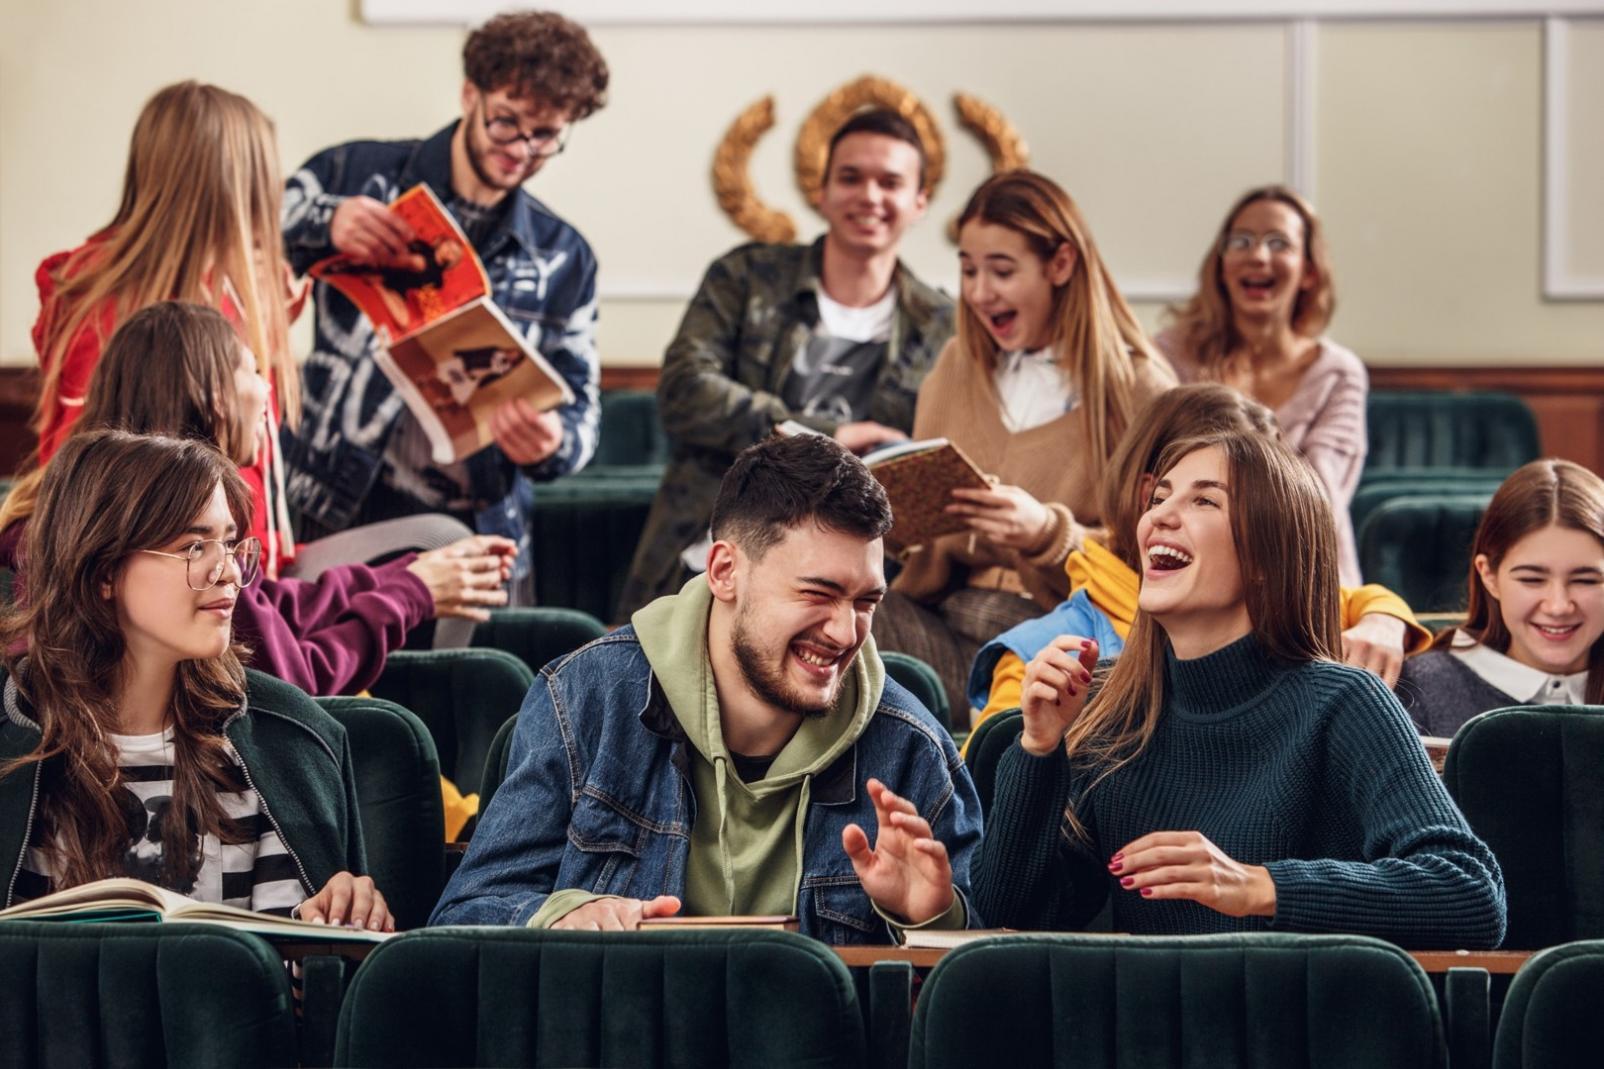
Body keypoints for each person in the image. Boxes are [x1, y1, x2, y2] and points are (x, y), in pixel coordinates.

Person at [431, 433, 982, 942]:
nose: (846, 632)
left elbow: (980, 980)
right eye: (817, 593)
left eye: (866, 602)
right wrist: (561, 916)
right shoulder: (583, 697)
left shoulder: (910, 744)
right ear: (724, 572)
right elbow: (466, 912)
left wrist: (934, 920)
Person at [961, 431, 1504, 947]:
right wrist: (1039, 749)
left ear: (1269, 557)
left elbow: (1471, 892)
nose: (1160, 517)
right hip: (1153, 1029)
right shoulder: (1109, 709)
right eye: (1161, 497)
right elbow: (1013, 913)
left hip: (1300, 1027)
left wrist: (1260, 888)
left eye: (1205, 502)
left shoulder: (1344, 702)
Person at [0, 303, 515, 697]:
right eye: (253, 370)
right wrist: (408, 595)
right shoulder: (169, 535)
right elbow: (291, 682)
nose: (268, 390)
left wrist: (405, 577)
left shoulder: (102, 502)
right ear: (217, 395)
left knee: (438, 541)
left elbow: (266, 607)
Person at [0, 430, 389, 930]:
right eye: (193, 546)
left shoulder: (289, 741)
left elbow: (296, 992)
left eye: (228, 543)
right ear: (103, 571)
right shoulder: (13, 733)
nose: (228, 572)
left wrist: (335, 934)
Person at [282, 11, 609, 601]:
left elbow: (584, 415)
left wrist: (553, 440)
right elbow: (247, 232)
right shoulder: (359, 175)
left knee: (468, 690)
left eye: (546, 136)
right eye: (506, 122)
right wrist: (327, 221)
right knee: (320, 684)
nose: (522, 150)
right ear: (469, 95)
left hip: (477, 532)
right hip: (334, 503)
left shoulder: (566, 257)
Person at [616, 107, 955, 621]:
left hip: (858, 580)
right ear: (820, 192)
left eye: (890, 182)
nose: (869, 196)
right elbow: (685, 391)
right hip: (710, 556)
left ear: (919, 201)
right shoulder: (745, 276)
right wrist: (827, 434)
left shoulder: (942, 325)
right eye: (850, 178)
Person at [871, 170, 1175, 721]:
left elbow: (1159, 558)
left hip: (1056, 630)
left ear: (1060, 265)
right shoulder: (956, 367)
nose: (980, 292)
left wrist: (1045, 534)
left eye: (1001, 271)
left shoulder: (1139, 391)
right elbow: (916, 550)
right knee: (812, 609)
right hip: (941, 615)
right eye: (968, 270)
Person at [966, 384, 1432, 736]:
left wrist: (1384, 619)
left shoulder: (1278, 604)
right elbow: (991, 808)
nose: (1168, 514)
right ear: (1150, 494)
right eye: (1172, 495)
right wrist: (1039, 747)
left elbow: (1352, 599)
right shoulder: (1046, 653)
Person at [31, 80, 301, 574]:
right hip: (199, 585)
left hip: (238, 569)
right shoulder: (109, 316)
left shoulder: (232, 297)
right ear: (234, 191)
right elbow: (99, 481)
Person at [1158, 185, 1367, 584]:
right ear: (1221, 265)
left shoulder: (1339, 373)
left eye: (1278, 243)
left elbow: (1317, 500)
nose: (1257, 255)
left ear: (1308, 271)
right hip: (1193, 574)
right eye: (1241, 241)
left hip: (1306, 576)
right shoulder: (1170, 354)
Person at [1399, 459, 1604, 737]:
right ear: (1489, 576)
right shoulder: (1419, 690)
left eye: (1586, 580)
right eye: (1531, 580)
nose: (1558, 606)